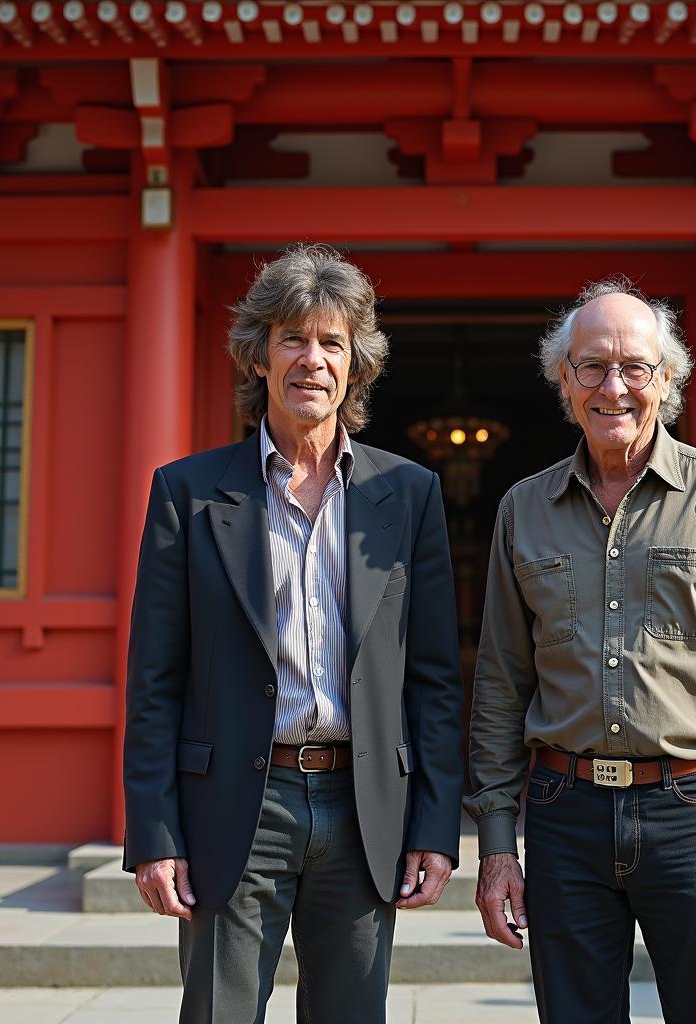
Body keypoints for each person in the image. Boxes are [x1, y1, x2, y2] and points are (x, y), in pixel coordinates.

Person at [123, 244, 463, 1023]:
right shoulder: (188, 491)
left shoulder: (407, 495)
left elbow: (436, 679)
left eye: (333, 342)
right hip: (233, 803)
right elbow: (154, 677)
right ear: (260, 358)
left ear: (357, 365)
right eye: (292, 339)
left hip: (363, 805)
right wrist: (153, 830)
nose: (313, 359)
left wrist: (436, 824)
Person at [465, 276, 696, 1024]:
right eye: (591, 366)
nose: (612, 386)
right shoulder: (523, 509)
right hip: (563, 813)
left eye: (634, 367)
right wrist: (497, 844)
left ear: (668, 379)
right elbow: (500, 682)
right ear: (564, 380)